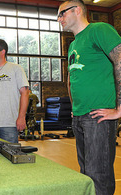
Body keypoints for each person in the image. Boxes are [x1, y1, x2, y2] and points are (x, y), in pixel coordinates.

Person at [57, 1, 121, 194]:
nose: (59, 19)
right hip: (79, 116)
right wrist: (74, 110)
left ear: (77, 10)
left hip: (98, 115)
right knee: (86, 175)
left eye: (61, 14)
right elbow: (72, 79)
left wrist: (120, 108)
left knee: (98, 176)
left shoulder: (99, 29)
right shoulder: (74, 44)